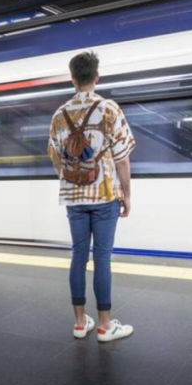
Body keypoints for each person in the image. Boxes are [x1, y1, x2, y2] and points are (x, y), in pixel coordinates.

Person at [47, 51, 135, 343]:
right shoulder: (108, 109)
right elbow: (122, 159)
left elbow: (55, 157)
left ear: (72, 79)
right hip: (105, 195)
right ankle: (105, 325)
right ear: (96, 77)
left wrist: (70, 179)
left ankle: (79, 321)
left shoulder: (59, 115)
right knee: (102, 259)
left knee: (78, 256)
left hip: (73, 197)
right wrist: (126, 193)